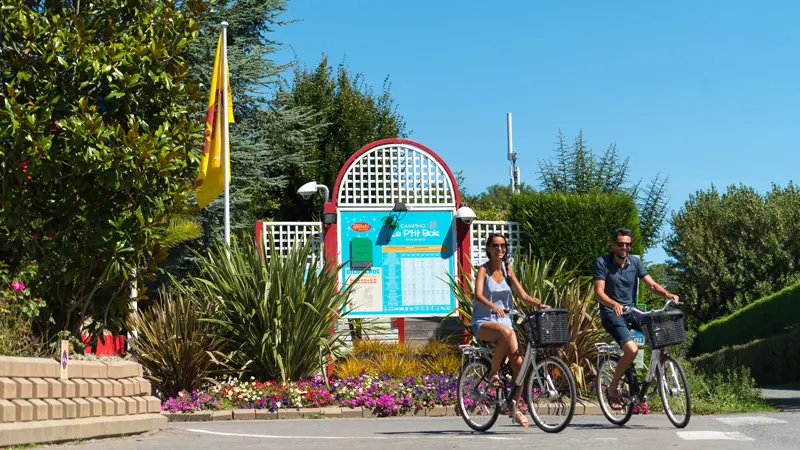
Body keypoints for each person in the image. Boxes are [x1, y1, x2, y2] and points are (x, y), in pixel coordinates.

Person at [593, 228, 680, 409]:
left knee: (659, 336)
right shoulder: (602, 263)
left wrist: (668, 294)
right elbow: (599, 293)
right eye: (620, 244)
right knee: (631, 349)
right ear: (613, 245)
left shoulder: (635, 263)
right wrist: (612, 303)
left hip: (631, 311)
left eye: (627, 244)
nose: (624, 247)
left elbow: (652, 285)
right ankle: (613, 387)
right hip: (611, 313)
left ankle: (655, 376)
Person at [473, 232, 549, 427]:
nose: (500, 249)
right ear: (488, 248)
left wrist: (539, 304)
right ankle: (493, 373)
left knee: (520, 364)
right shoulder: (484, 270)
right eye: (496, 245)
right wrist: (493, 306)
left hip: (505, 322)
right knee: (505, 334)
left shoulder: (508, 270)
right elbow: (478, 295)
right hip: (484, 321)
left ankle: (514, 406)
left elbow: (523, 295)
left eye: (503, 245)